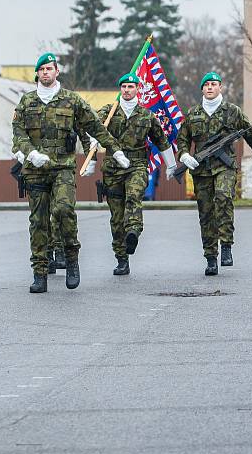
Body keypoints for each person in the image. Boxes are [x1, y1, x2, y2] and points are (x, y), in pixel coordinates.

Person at [12, 53, 129, 293]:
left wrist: (114, 149)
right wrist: (31, 153)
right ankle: (40, 273)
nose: (46, 72)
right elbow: (18, 134)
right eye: (42, 69)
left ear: (57, 72)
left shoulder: (71, 101)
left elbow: (95, 127)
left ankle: (71, 257)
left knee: (64, 209)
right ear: (37, 73)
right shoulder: (27, 102)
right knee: (38, 221)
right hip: (35, 170)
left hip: (63, 167)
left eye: (50, 68)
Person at [176, 71, 252, 275]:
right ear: (202, 89)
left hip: (225, 167)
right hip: (201, 170)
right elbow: (182, 139)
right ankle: (211, 257)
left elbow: (250, 135)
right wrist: (184, 155)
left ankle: (226, 245)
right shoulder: (193, 113)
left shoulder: (233, 111)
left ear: (221, 87)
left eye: (214, 84)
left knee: (223, 197)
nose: (210, 87)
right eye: (206, 85)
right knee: (206, 213)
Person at [85, 73, 177, 276]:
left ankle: (134, 231)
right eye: (124, 87)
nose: (127, 90)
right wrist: (91, 160)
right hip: (112, 168)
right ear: (120, 89)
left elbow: (161, 141)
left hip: (136, 164)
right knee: (116, 217)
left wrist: (171, 165)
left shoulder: (146, 115)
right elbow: (92, 132)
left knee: (134, 196)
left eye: (130, 86)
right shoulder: (109, 112)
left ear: (137, 89)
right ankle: (122, 258)